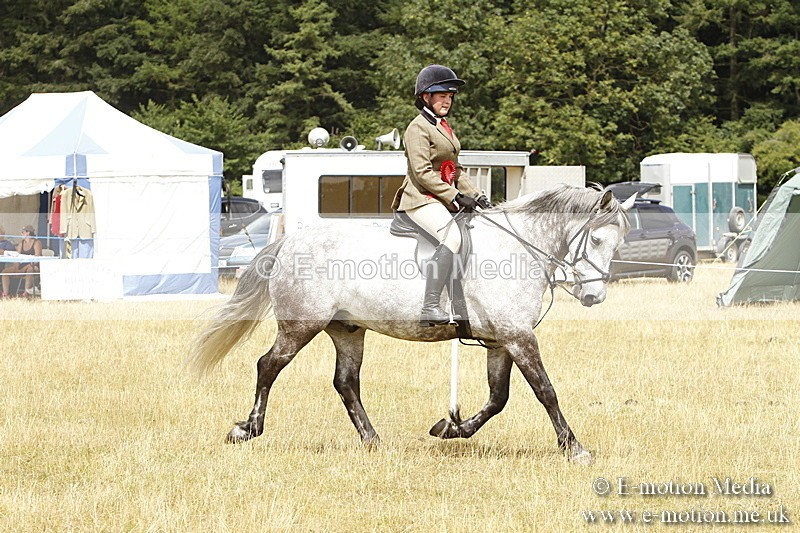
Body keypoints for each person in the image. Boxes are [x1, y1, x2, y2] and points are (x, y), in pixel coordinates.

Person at [391, 64, 491, 326]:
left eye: (450, 96)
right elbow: (423, 172)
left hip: (439, 197)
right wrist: (455, 197)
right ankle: (431, 306)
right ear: (426, 97)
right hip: (420, 198)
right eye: (442, 95)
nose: (447, 100)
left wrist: (477, 196)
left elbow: (454, 169)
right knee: (452, 236)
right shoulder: (417, 128)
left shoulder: (443, 125)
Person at [2, 225, 42, 298]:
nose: (21, 234)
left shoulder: (37, 242)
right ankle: (6, 293)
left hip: (33, 265)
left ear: (28, 233)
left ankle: (26, 293)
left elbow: (37, 258)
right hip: (21, 264)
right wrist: (16, 266)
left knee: (30, 270)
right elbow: (17, 256)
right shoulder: (21, 243)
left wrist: (23, 268)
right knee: (5, 272)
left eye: (23, 232)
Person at [0, 226, 17, 298]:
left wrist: (2, 252)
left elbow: (11, 253)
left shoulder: (7, 243)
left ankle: (5, 294)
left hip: (5, 265)